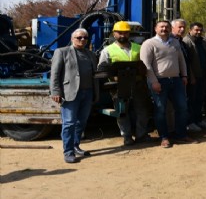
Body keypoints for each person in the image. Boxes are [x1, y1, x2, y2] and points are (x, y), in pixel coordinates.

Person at [140, 20, 198, 148]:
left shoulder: (175, 42)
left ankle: (181, 135)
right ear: (155, 29)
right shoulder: (149, 44)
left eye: (166, 27)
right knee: (160, 110)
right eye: (161, 27)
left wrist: (184, 75)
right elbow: (146, 65)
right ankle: (164, 137)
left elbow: (181, 60)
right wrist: (154, 81)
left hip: (176, 81)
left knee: (182, 108)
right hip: (159, 81)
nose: (164, 29)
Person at [98, 21, 153, 146]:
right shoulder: (107, 50)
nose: (123, 35)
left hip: (138, 85)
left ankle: (141, 135)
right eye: (120, 33)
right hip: (119, 87)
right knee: (122, 113)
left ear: (129, 34)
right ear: (114, 34)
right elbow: (102, 69)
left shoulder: (138, 48)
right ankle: (127, 137)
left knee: (143, 111)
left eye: (126, 33)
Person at [50, 28, 98, 163]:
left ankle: (76, 146)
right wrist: (55, 91)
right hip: (70, 93)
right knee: (69, 123)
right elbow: (55, 73)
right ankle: (68, 151)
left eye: (85, 38)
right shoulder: (62, 52)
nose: (82, 40)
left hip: (87, 92)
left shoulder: (91, 54)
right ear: (72, 39)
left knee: (81, 122)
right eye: (79, 38)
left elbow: (95, 75)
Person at [182, 22, 206, 131]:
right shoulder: (186, 41)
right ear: (190, 30)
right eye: (196, 30)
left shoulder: (202, 41)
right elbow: (187, 62)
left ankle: (199, 120)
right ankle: (190, 122)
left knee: (200, 99)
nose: (199, 32)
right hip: (193, 77)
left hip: (203, 76)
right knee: (191, 100)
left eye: (200, 30)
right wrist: (191, 76)